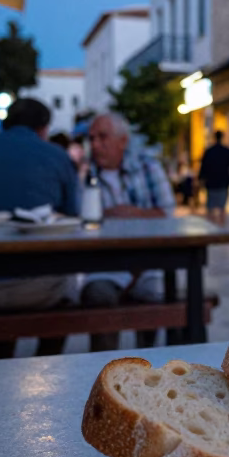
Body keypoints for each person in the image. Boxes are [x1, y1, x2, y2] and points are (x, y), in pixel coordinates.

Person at [0, 97, 80, 360]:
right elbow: (75, 216)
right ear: (43, 128)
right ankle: (45, 361)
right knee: (69, 287)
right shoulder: (57, 156)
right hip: (38, 286)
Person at [81, 111, 176, 351]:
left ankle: (148, 363)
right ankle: (103, 367)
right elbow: (76, 221)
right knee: (97, 294)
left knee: (162, 293)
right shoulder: (85, 174)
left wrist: (131, 212)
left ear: (123, 140)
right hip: (105, 265)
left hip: (148, 262)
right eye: (91, 138)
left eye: (102, 137)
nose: (95, 144)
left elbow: (167, 212)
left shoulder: (147, 168)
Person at [198, 130, 229, 225]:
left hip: (211, 183)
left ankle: (211, 226)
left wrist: (201, 180)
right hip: (223, 182)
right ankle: (221, 226)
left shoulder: (209, 151)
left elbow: (203, 167)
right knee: (222, 207)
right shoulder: (226, 151)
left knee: (211, 207)